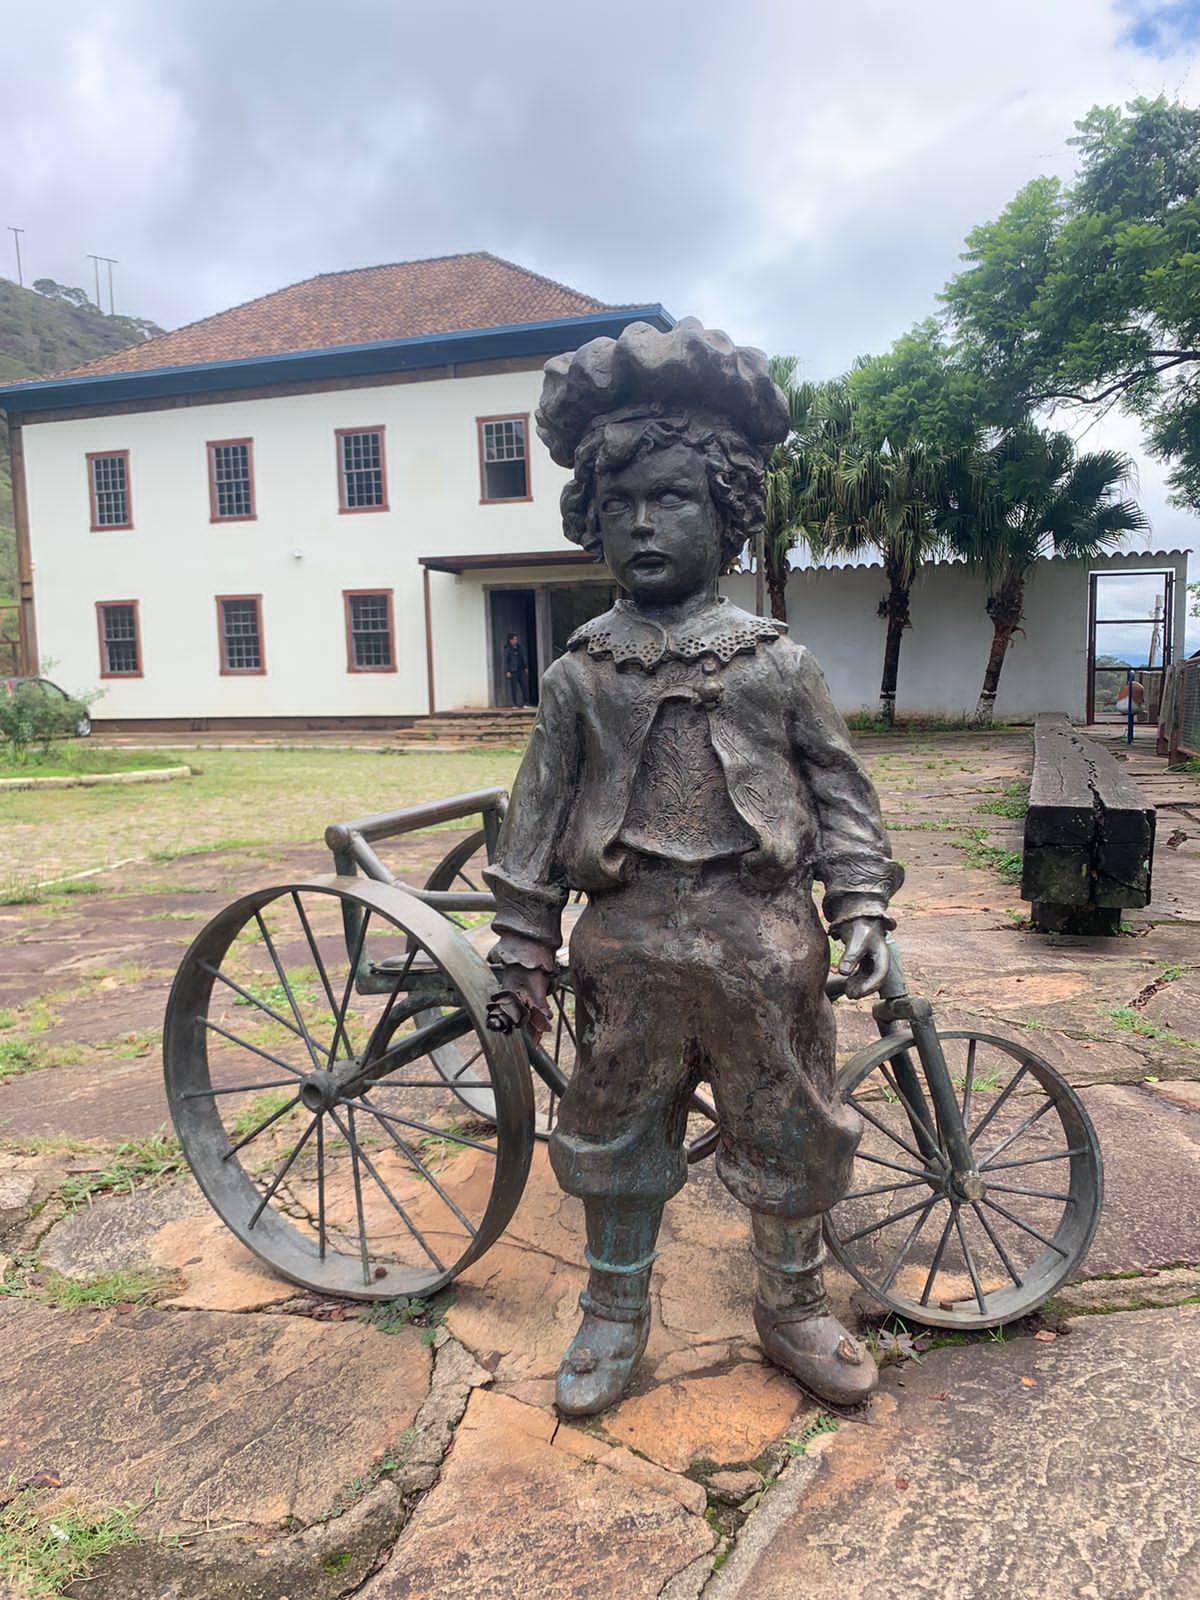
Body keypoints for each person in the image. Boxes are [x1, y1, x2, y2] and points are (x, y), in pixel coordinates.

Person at [483, 319, 902, 1417]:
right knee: (614, 1124)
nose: (642, 523)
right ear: (592, 520)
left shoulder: (776, 663)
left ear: (728, 511)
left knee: (791, 1122)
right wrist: (523, 943)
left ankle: (792, 1302)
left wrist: (859, 898)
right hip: (625, 940)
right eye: (618, 504)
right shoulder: (580, 675)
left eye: (670, 499)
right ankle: (613, 1308)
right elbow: (536, 817)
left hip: (765, 937)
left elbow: (840, 789)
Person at [502, 632, 528, 706]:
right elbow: (506, 661)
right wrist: (507, 671)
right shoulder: (507, 649)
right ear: (510, 640)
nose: (516, 640)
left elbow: (523, 657)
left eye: (516, 639)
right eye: (514, 639)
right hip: (513, 670)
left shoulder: (519, 647)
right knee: (514, 688)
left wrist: (525, 667)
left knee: (524, 686)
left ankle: (525, 702)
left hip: (521, 670)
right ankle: (515, 703)